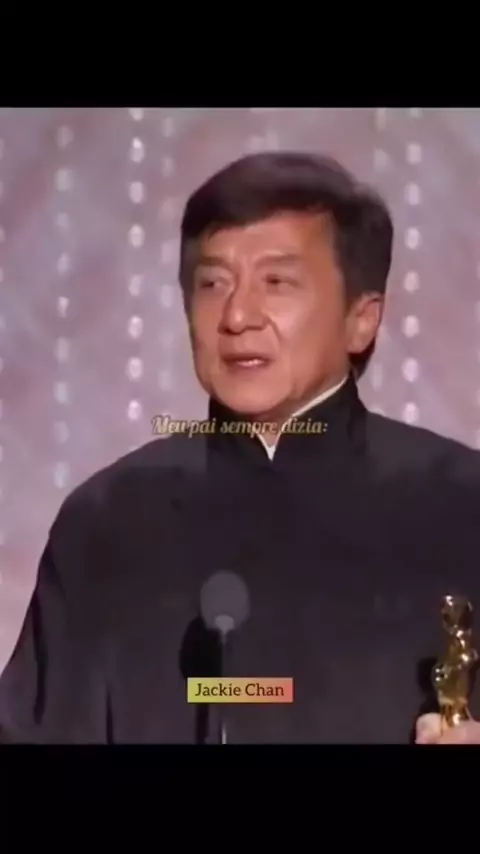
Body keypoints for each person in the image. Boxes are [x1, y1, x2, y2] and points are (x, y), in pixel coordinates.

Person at [1, 150, 480, 744]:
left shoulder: (461, 507)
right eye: (213, 283)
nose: (237, 316)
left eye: (276, 282)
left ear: (362, 318)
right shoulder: (108, 522)